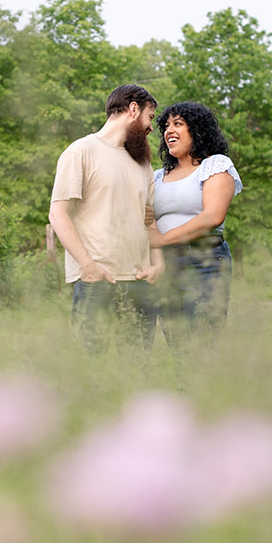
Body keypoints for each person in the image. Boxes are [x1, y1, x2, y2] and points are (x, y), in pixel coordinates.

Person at [48, 84, 165, 348]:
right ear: (133, 109)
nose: (151, 127)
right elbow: (58, 214)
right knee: (93, 372)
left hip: (140, 283)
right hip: (97, 282)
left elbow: (150, 219)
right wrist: (87, 265)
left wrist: (157, 263)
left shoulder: (143, 163)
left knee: (137, 370)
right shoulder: (81, 151)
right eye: (150, 117)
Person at [147, 101, 241, 336]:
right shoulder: (157, 176)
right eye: (166, 126)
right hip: (166, 265)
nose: (169, 130)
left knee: (202, 341)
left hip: (203, 261)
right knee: (176, 340)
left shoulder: (215, 165)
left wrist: (161, 239)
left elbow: (212, 216)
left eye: (178, 124)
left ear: (197, 130)